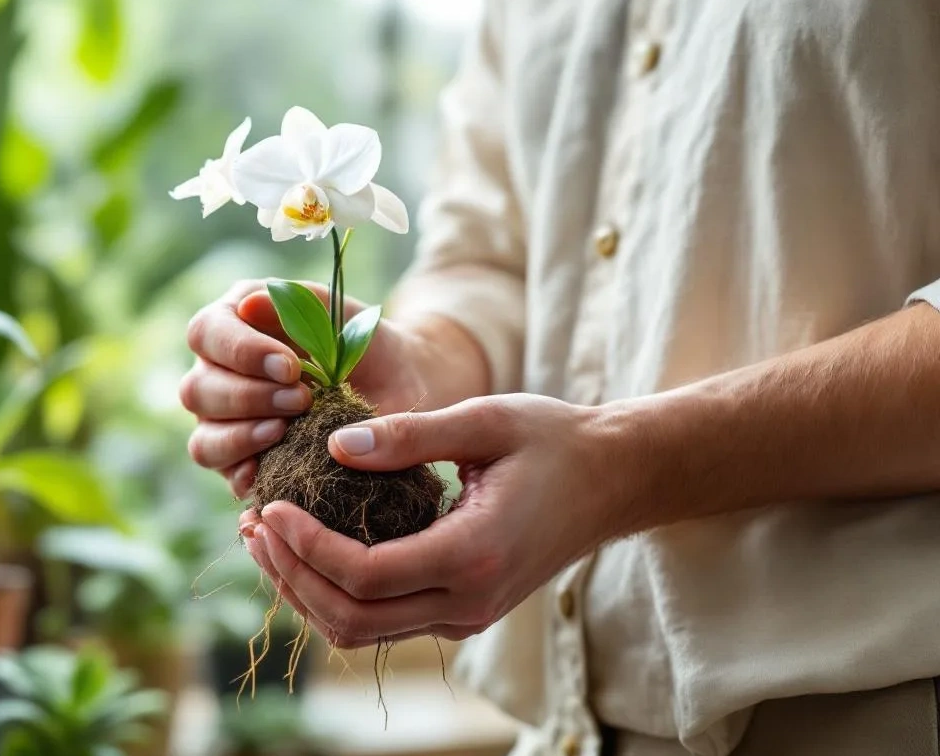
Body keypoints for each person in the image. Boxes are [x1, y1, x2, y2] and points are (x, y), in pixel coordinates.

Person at [178, 3, 940, 755]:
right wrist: (423, 362)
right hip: (563, 728)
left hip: (869, 707)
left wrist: (625, 465)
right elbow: (489, 254)